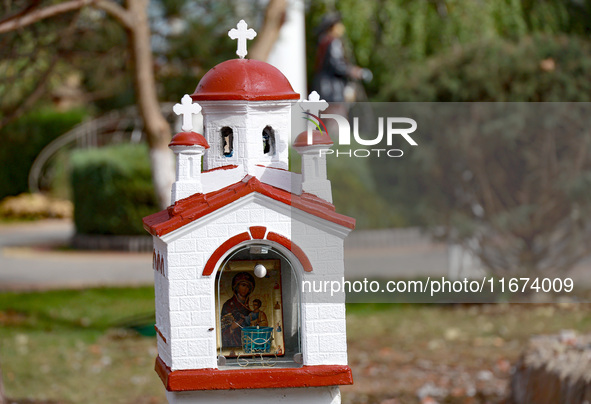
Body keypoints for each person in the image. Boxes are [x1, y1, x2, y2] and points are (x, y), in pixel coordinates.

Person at [313, 12, 372, 103]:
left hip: (323, 88)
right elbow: (337, 65)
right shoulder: (333, 42)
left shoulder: (322, 41)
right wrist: (355, 72)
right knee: (336, 115)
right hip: (332, 90)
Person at [220, 272, 255, 348]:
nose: (245, 289)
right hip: (234, 343)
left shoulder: (252, 306)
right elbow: (222, 329)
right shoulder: (228, 305)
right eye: (243, 285)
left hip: (249, 341)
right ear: (237, 286)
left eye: (248, 287)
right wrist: (232, 328)